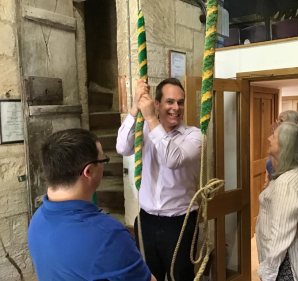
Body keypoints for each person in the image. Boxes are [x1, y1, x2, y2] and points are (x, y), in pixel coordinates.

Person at [28, 129, 154, 281]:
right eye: (103, 160)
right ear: (88, 171)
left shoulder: (37, 220)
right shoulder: (109, 236)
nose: (103, 165)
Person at [116, 78, 202, 281]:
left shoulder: (194, 136)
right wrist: (135, 108)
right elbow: (121, 147)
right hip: (146, 220)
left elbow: (173, 159)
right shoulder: (144, 131)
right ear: (157, 104)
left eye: (180, 102)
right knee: (147, 276)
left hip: (179, 222)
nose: (176, 108)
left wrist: (151, 119)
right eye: (170, 102)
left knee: (180, 277)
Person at [256, 122, 298, 281]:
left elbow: (281, 233)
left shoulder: (287, 182)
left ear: (285, 145)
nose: (268, 138)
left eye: (274, 136)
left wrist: (268, 270)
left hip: (289, 265)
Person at [264, 110, 298, 188]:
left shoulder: (293, 145)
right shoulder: (276, 140)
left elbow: (278, 168)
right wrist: (267, 179)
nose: (277, 123)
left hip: (283, 187)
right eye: (278, 120)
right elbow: (270, 162)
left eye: (281, 121)